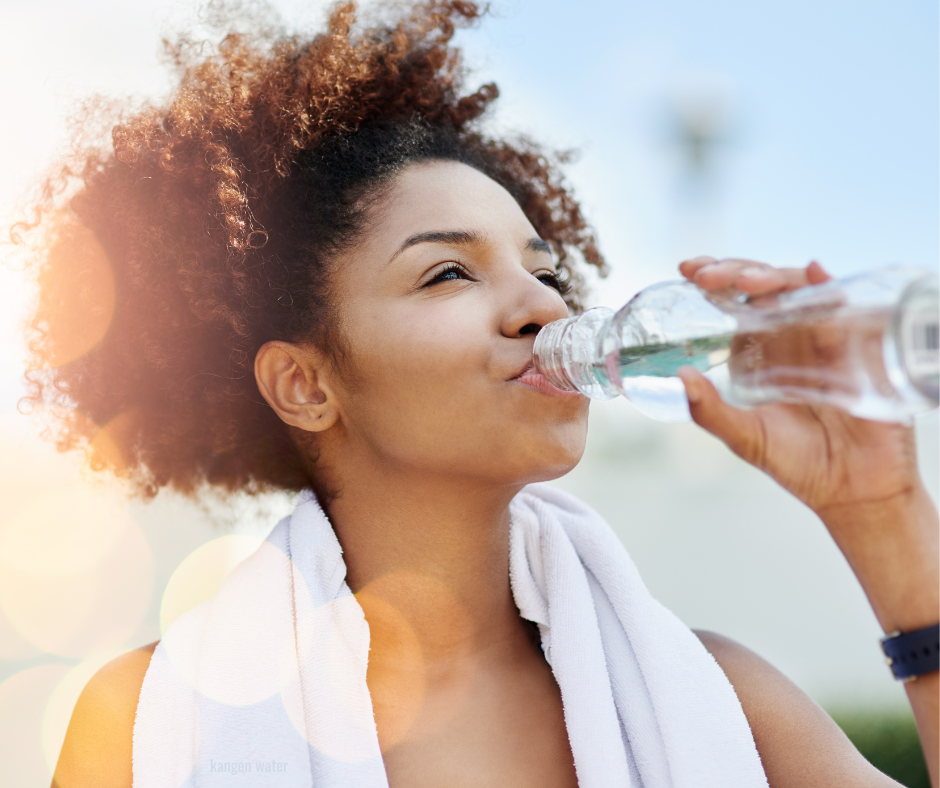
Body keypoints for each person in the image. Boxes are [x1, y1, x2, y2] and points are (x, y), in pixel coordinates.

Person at [16, 2, 936, 786]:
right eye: (450, 273)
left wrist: (883, 516)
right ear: (304, 384)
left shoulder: (725, 701)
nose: (542, 304)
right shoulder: (144, 729)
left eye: (544, 270)